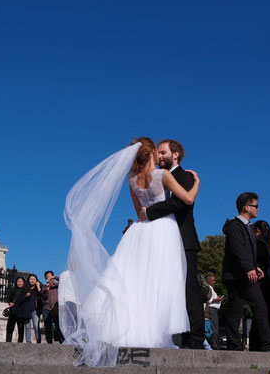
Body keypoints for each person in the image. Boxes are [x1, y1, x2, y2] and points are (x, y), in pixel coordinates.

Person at [60, 137, 199, 366]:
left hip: (140, 231)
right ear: (153, 153)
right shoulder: (163, 176)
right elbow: (188, 199)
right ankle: (155, 333)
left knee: (135, 281)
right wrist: (196, 182)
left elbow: (140, 212)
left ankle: (128, 330)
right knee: (159, 283)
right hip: (163, 230)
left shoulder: (133, 181)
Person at [138, 139, 205, 349]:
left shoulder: (184, 176)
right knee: (168, 288)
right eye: (157, 153)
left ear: (176, 154)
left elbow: (179, 203)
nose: (159, 156)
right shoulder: (156, 177)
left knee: (189, 288)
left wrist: (149, 212)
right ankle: (177, 335)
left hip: (183, 240)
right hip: (162, 240)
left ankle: (195, 338)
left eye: (163, 152)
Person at [222, 192, 270, 352]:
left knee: (261, 307)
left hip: (249, 275)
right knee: (235, 310)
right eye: (256, 206)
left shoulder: (248, 227)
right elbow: (238, 250)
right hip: (237, 276)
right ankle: (234, 345)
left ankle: (266, 343)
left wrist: (255, 267)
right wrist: (249, 268)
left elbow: (247, 251)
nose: (258, 209)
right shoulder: (235, 226)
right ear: (247, 207)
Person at [6, 277, 35, 342]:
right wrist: (10, 303)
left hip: (21, 312)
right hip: (13, 311)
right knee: (9, 328)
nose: (19, 283)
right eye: (18, 281)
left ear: (23, 282)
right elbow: (9, 299)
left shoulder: (26, 291)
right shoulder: (13, 290)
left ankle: (20, 343)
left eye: (20, 281)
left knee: (20, 329)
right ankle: (8, 341)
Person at [39, 271, 62, 344]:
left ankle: (62, 341)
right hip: (46, 308)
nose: (49, 279)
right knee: (47, 326)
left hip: (56, 308)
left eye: (50, 277)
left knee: (58, 325)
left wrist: (55, 277)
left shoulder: (58, 285)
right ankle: (49, 343)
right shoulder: (44, 288)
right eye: (47, 278)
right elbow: (42, 297)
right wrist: (46, 290)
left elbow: (64, 280)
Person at [204, 275, 224, 350]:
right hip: (211, 310)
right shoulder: (208, 288)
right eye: (213, 280)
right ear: (208, 281)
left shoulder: (211, 289)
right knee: (214, 328)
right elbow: (208, 299)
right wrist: (218, 299)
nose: (214, 282)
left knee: (214, 328)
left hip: (213, 310)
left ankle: (214, 345)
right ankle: (215, 346)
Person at [25, 274, 42, 343]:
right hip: (27, 310)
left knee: (36, 326)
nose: (32, 280)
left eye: (34, 279)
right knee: (27, 326)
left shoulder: (38, 288)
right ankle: (28, 341)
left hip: (35, 309)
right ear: (28, 280)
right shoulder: (25, 288)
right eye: (31, 279)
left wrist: (38, 286)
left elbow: (41, 294)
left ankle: (38, 341)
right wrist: (25, 295)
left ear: (36, 280)